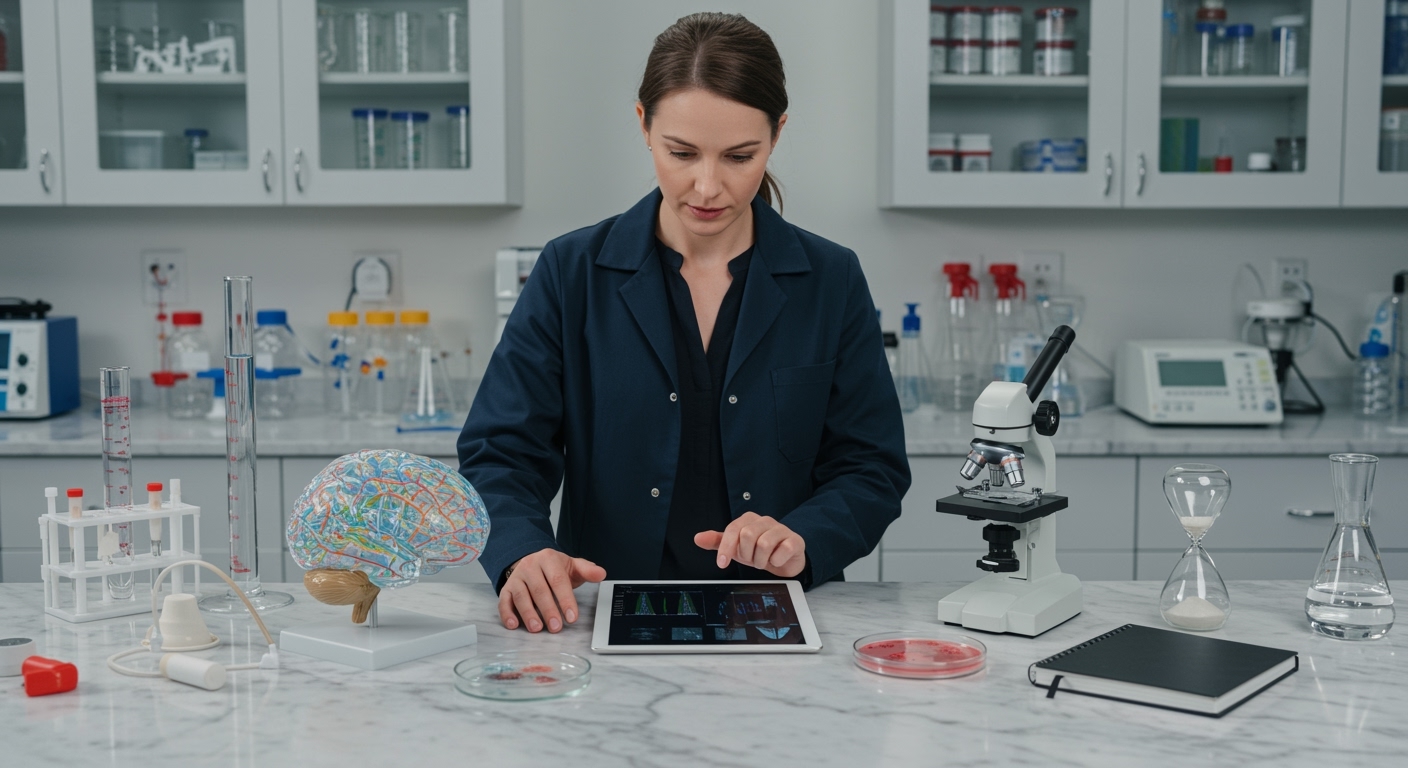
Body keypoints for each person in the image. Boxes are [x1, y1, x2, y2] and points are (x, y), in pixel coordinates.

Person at [458, 12, 909, 634]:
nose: (708, 186)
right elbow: (501, 451)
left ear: (777, 134)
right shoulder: (571, 271)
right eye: (682, 152)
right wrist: (520, 551)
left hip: (779, 615)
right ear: (643, 125)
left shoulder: (830, 279)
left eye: (739, 156)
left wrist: (805, 536)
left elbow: (870, 466)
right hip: (602, 613)